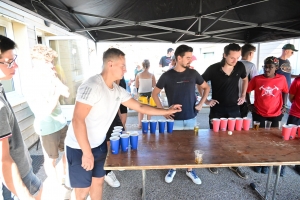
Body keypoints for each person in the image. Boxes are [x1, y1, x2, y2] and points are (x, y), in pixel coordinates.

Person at [64, 48, 182, 200]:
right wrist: (87, 153)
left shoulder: (117, 90)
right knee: (82, 190)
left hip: (99, 144)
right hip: (79, 147)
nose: (126, 69)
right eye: (123, 65)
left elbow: (140, 106)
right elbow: (77, 120)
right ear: (110, 64)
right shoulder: (92, 85)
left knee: (98, 182)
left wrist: (165, 111)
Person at [152, 44, 210, 185]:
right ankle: (173, 168)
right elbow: (154, 94)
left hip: (191, 116)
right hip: (174, 119)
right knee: (173, 145)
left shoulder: (193, 73)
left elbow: (206, 87)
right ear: (179, 58)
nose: (190, 60)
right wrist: (163, 111)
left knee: (191, 145)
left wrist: (202, 102)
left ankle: (190, 170)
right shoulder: (167, 76)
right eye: (188, 58)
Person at [0, 35, 43, 199]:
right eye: (9, 61)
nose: (15, 65)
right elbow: (3, 161)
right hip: (15, 175)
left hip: (22, 169)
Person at [23, 45, 69, 188]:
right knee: (51, 160)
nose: (51, 65)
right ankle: (56, 187)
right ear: (37, 62)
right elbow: (47, 109)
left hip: (61, 123)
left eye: (52, 61)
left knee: (70, 153)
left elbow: (66, 92)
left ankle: (65, 178)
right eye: (47, 62)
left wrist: (56, 81)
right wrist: (57, 92)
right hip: (47, 126)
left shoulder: (50, 75)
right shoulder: (31, 82)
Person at [201, 43, 249, 179]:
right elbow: (200, 82)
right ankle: (215, 161)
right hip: (217, 108)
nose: (235, 60)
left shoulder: (240, 66)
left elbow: (245, 79)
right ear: (224, 55)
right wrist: (206, 100)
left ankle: (233, 163)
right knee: (215, 137)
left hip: (234, 108)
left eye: (238, 57)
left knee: (234, 138)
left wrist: (243, 95)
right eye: (232, 58)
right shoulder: (213, 68)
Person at [246, 56, 288, 175]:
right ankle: (259, 161)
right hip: (259, 113)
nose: (267, 69)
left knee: (273, 138)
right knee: (259, 138)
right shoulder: (257, 79)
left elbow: (285, 91)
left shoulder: (282, 79)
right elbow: (247, 91)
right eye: (265, 66)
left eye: (270, 67)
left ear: (276, 68)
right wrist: (249, 104)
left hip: (276, 113)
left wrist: (284, 105)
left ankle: (268, 162)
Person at [135, 59, 156, 128]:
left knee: (140, 110)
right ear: (149, 66)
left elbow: (136, 86)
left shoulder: (138, 75)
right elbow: (154, 85)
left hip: (141, 93)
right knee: (149, 109)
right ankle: (149, 124)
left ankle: (140, 124)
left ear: (143, 66)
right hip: (149, 93)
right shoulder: (152, 75)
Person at [239, 43, 258, 117]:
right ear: (251, 53)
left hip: (231, 97)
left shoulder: (235, 64)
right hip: (244, 98)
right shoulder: (251, 66)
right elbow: (255, 82)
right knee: (241, 121)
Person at [286, 76, 300, 175]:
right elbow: (291, 97)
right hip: (295, 113)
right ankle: (282, 162)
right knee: (288, 138)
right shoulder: (297, 80)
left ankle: (298, 165)